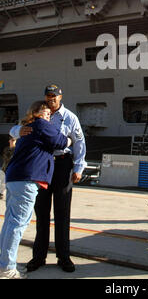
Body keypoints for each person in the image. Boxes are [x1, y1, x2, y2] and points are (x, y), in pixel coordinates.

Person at [9, 85, 86, 273]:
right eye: (48, 96)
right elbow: (16, 128)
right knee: (41, 213)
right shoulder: (39, 116)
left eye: (54, 96)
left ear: (61, 97)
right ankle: (38, 256)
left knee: (62, 213)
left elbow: (79, 142)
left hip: (62, 165)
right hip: (42, 166)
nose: (51, 99)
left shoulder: (70, 117)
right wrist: (18, 131)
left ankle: (64, 256)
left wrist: (78, 167)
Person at [0, 101, 70, 279]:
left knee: (10, 222)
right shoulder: (41, 124)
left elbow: (15, 133)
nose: (48, 115)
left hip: (14, 178)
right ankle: (7, 269)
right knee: (18, 224)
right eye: (45, 112)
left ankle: (4, 263)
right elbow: (61, 142)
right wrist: (70, 138)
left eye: (48, 113)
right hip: (27, 180)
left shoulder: (27, 127)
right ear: (36, 113)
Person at [0, 135, 16, 200]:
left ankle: (1, 192)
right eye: (10, 140)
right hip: (6, 168)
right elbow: (6, 159)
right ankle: (1, 192)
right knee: (2, 175)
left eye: (12, 140)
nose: (10, 141)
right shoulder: (7, 150)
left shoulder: (19, 150)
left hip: (14, 172)